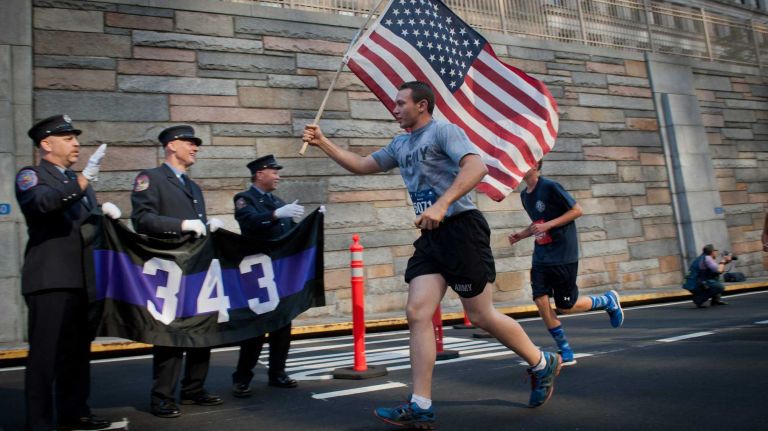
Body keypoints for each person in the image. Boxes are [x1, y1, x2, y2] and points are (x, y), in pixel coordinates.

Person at [303, 81, 561, 428]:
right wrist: (323, 143)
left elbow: (476, 168)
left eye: (400, 103)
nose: (394, 109)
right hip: (430, 237)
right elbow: (364, 164)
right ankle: (420, 404)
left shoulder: (444, 131)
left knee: (481, 315)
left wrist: (442, 204)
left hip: (462, 230)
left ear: (421, 105)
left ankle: (541, 362)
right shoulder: (401, 143)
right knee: (417, 312)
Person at [16, 115, 118, 430]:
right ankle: (40, 422)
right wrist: (84, 181)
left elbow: (83, 225)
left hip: (82, 279)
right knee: (45, 356)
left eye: (76, 138)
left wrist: (104, 213)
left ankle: (75, 412)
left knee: (76, 354)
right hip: (51, 279)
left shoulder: (76, 180)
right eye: (68, 138)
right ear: (46, 144)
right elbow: (44, 205)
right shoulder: (32, 175)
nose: (76, 144)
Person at [130, 125, 225, 418]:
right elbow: (142, 220)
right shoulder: (151, 178)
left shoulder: (193, 186)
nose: (195, 147)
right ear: (172, 145)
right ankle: (162, 396)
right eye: (190, 143)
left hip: (196, 266)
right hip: (170, 266)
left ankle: (194, 388)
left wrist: (208, 228)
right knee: (170, 334)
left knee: (202, 328)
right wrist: (181, 225)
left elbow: (198, 223)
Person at [507, 161, 624, 366]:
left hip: (563, 254)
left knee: (565, 307)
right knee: (540, 299)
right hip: (541, 255)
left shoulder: (551, 187)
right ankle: (565, 349)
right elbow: (539, 223)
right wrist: (522, 235)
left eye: (525, 161)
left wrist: (550, 224)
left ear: (535, 165)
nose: (521, 165)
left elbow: (577, 210)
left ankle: (607, 301)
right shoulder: (524, 196)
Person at [230, 155, 304, 397]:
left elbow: (290, 234)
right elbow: (250, 222)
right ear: (260, 173)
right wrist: (275, 215)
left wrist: (313, 221)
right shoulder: (245, 199)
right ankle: (242, 378)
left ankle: (277, 373)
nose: (278, 176)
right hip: (257, 275)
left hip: (279, 274)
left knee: (283, 324)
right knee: (255, 328)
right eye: (274, 171)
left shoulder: (277, 200)